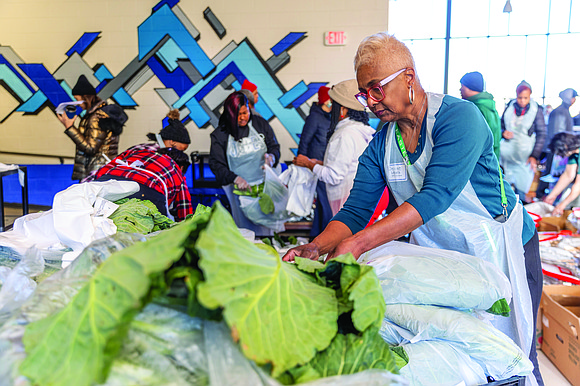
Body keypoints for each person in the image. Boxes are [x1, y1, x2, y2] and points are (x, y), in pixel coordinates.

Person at [283, 32, 543, 386]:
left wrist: (357, 245)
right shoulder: (382, 142)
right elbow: (355, 211)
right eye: (364, 93)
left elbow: (435, 196)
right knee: (459, 352)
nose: (370, 102)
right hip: (445, 257)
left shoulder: (458, 118)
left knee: (511, 353)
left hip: (501, 249)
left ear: (408, 78)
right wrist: (317, 246)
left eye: (376, 89)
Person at [293, 80, 375, 216]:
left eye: (334, 106)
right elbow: (347, 165)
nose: (331, 110)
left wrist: (308, 164)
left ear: (342, 110)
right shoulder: (360, 131)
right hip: (358, 199)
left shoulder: (344, 135)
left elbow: (333, 176)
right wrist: (318, 163)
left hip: (344, 201)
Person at [209, 91, 280, 235]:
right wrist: (235, 178)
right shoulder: (220, 134)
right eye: (238, 115)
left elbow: (274, 146)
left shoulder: (260, 124)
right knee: (245, 232)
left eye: (245, 112)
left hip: (264, 188)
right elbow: (216, 164)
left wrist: (271, 157)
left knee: (265, 231)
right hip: (240, 191)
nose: (243, 118)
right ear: (230, 114)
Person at [93, 142, 193, 222]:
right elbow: (184, 207)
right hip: (146, 192)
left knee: (99, 223)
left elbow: (105, 168)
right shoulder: (175, 169)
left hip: (107, 181)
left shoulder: (139, 152)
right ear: (182, 167)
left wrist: (96, 183)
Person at [57, 75, 127, 181]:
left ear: (85, 98)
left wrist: (70, 127)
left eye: (77, 99)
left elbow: (91, 148)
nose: (77, 104)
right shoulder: (98, 114)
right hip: (102, 169)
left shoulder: (96, 117)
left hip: (97, 171)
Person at [500, 80, 546, 201]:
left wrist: (534, 156)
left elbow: (542, 134)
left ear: (530, 96)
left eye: (526, 98)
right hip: (507, 157)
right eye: (520, 97)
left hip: (525, 158)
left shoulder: (537, 110)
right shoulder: (510, 106)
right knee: (505, 189)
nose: (522, 101)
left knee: (522, 189)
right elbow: (501, 125)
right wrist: (503, 133)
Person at [296, 86, 332, 235]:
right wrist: (302, 162)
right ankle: (325, 233)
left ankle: (318, 233)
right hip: (315, 165)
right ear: (325, 100)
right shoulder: (315, 117)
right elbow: (305, 140)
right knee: (324, 200)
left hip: (325, 164)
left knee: (324, 202)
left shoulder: (328, 117)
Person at [459, 71, 502, 160]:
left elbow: (472, 141)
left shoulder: (474, 108)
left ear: (471, 87)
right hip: (491, 160)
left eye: (462, 86)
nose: (460, 89)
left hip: (480, 161)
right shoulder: (490, 106)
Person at [543, 132, 580, 216]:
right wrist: (551, 196)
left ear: (566, 146)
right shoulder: (573, 153)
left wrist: (562, 205)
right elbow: (568, 175)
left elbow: (578, 185)